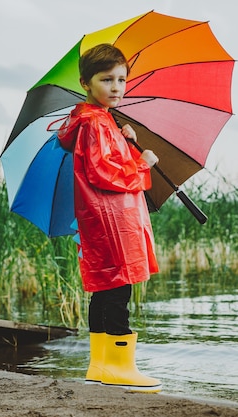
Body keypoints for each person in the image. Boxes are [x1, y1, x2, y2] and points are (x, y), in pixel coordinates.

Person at [57, 43, 162, 393]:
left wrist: (123, 137)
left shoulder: (97, 122)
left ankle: (100, 365)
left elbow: (102, 160)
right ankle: (120, 366)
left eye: (121, 79)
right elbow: (105, 172)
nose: (116, 87)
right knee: (119, 289)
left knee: (104, 290)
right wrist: (143, 162)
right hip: (113, 219)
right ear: (86, 82)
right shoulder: (96, 122)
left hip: (100, 220)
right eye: (107, 79)